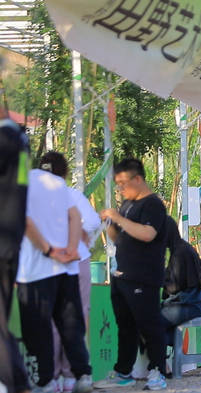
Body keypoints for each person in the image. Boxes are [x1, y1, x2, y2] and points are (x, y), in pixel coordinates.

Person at [16, 161, 93, 393]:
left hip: (35, 270)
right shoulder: (57, 182)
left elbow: (26, 222)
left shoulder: (16, 184)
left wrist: (49, 250)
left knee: (38, 329)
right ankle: (82, 375)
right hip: (67, 268)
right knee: (71, 325)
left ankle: (44, 381)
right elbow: (75, 215)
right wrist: (70, 249)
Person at [95, 159, 168, 390]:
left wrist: (118, 218)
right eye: (117, 185)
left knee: (150, 325)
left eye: (123, 183)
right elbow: (120, 238)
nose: (121, 189)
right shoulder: (127, 205)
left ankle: (157, 371)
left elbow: (147, 234)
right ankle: (123, 371)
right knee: (125, 326)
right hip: (122, 274)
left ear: (137, 179)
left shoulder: (153, 204)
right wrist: (110, 224)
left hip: (143, 276)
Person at [38, 152, 101, 392]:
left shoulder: (33, 199)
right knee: (74, 318)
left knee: (50, 320)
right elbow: (94, 222)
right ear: (64, 172)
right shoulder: (71, 194)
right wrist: (78, 235)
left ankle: (52, 377)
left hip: (47, 263)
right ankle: (71, 375)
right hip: (76, 262)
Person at [0, 118, 31, 393]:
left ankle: (16, 383)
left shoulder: (5, 139)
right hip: (11, 244)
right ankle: (18, 382)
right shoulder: (21, 142)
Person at [161, 216, 201, 347]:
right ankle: (167, 356)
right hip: (196, 303)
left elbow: (174, 287)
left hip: (190, 305)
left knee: (150, 321)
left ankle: (161, 360)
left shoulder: (179, 253)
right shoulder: (182, 248)